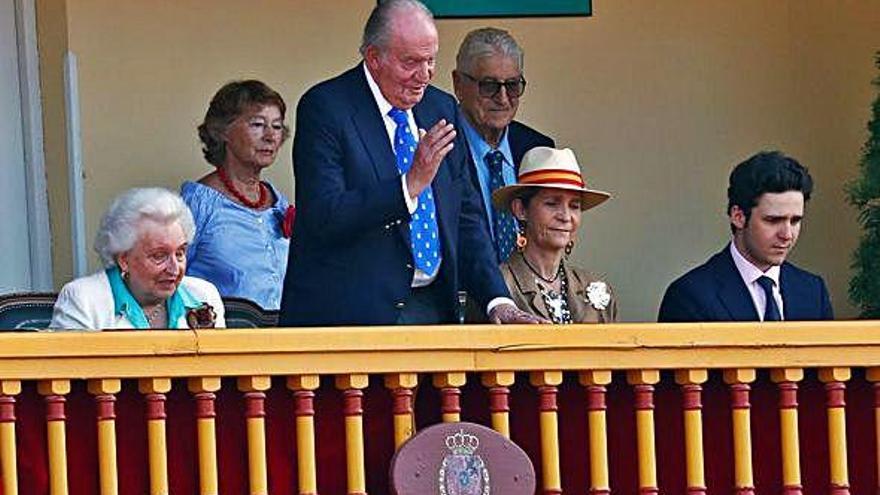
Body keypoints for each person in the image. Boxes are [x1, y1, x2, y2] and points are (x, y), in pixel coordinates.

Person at [278, 0, 540, 326]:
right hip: (350, 317)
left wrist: (497, 300)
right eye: (411, 63)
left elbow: (466, 216)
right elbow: (324, 215)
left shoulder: (441, 108)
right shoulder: (327, 108)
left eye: (430, 60)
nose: (424, 75)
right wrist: (409, 186)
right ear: (374, 58)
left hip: (432, 308)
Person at [658, 151, 833, 322]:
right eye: (773, 220)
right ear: (738, 217)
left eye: (795, 221)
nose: (787, 235)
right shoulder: (689, 296)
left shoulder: (813, 292)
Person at [181, 80, 293, 310]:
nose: (271, 136)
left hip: (284, 339)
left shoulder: (279, 204)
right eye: (258, 124)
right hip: (222, 341)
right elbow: (168, 282)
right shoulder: (197, 205)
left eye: (278, 126)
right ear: (222, 131)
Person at [51, 188, 225, 330]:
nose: (174, 268)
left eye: (179, 253)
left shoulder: (203, 296)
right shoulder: (84, 301)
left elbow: (222, 369)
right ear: (124, 260)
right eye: (159, 256)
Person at [452, 27, 554, 262]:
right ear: (458, 83)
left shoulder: (538, 149)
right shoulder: (440, 148)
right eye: (489, 86)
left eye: (512, 85)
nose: (503, 98)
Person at [492, 147, 617, 323]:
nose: (565, 216)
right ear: (520, 210)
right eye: (551, 203)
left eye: (574, 206)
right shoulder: (499, 286)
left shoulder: (594, 285)